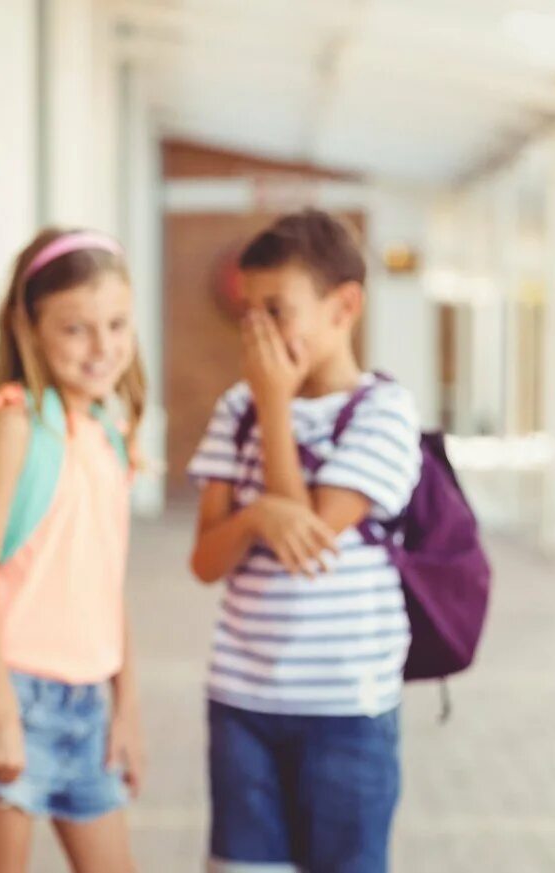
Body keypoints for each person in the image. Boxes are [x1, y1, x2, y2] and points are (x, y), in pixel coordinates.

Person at [188, 209, 423, 873]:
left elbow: (309, 541)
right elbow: (206, 560)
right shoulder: (237, 410)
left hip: (348, 707)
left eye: (277, 308)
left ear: (343, 305)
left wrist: (274, 407)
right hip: (244, 703)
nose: (256, 328)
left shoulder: (383, 411)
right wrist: (259, 513)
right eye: (247, 310)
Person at [0, 228, 146, 873]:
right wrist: (0, 712)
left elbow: (108, 583)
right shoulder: (14, 427)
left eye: (116, 325)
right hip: (11, 695)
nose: (103, 347)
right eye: (76, 329)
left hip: (89, 702)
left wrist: (128, 708)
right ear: (28, 327)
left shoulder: (110, 434)